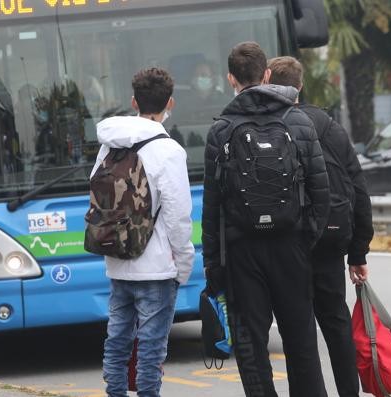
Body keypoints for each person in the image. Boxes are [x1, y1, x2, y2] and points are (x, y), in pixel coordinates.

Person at [202, 42, 331, 397]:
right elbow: (322, 194)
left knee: (251, 342)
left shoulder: (221, 130)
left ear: (231, 79)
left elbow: (212, 207)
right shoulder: (299, 121)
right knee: (300, 339)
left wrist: (213, 264)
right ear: (268, 74)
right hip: (291, 246)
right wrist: (305, 240)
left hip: (243, 252)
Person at [266, 56, 374, 397]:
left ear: (269, 82)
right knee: (336, 321)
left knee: (298, 329)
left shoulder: (271, 126)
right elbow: (357, 188)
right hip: (330, 239)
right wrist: (358, 251)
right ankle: (348, 393)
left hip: (290, 240)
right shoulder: (329, 126)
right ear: (300, 85)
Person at [96, 67, 195, 397]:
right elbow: (179, 215)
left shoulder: (109, 145)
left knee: (117, 341)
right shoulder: (169, 151)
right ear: (171, 103)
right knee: (151, 348)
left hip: (117, 260)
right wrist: (183, 266)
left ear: (133, 101)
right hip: (156, 266)